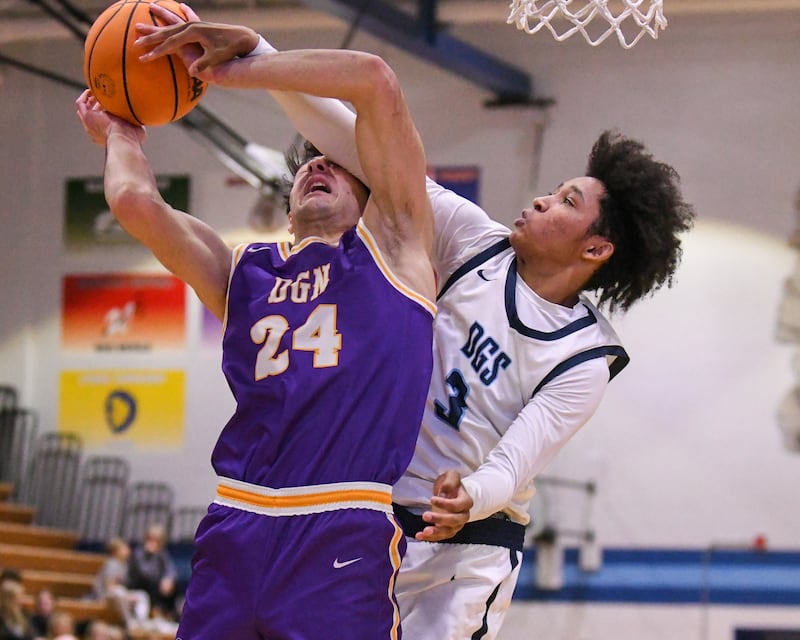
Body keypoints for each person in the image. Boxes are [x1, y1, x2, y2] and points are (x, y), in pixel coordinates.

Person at [135, 12, 695, 640]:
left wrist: (474, 495)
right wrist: (258, 57)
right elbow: (354, 140)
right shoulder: (473, 240)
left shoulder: (582, 358)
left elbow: (519, 456)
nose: (542, 199)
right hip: (371, 523)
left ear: (595, 251)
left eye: (567, 202)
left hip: (466, 547)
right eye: (555, 189)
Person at [76, 18, 436, 639]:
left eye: (338, 166)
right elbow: (137, 205)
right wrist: (121, 136)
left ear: (371, 195)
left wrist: (237, 65)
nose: (318, 166)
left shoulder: (396, 249)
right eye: (307, 166)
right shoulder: (244, 270)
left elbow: (375, 81)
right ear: (289, 200)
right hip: (236, 520)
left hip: (340, 524)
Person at [92, 538, 150, 627]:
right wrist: (127, 596)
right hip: (104, 596)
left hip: (119, 595)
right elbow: (110, 587)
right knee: (119, 592)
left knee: (142, 595)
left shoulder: (125, 564)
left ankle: (141, 623)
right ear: (116, 551)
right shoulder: (112, 563)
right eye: (124, 548)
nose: (127, 550)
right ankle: (129, 622)